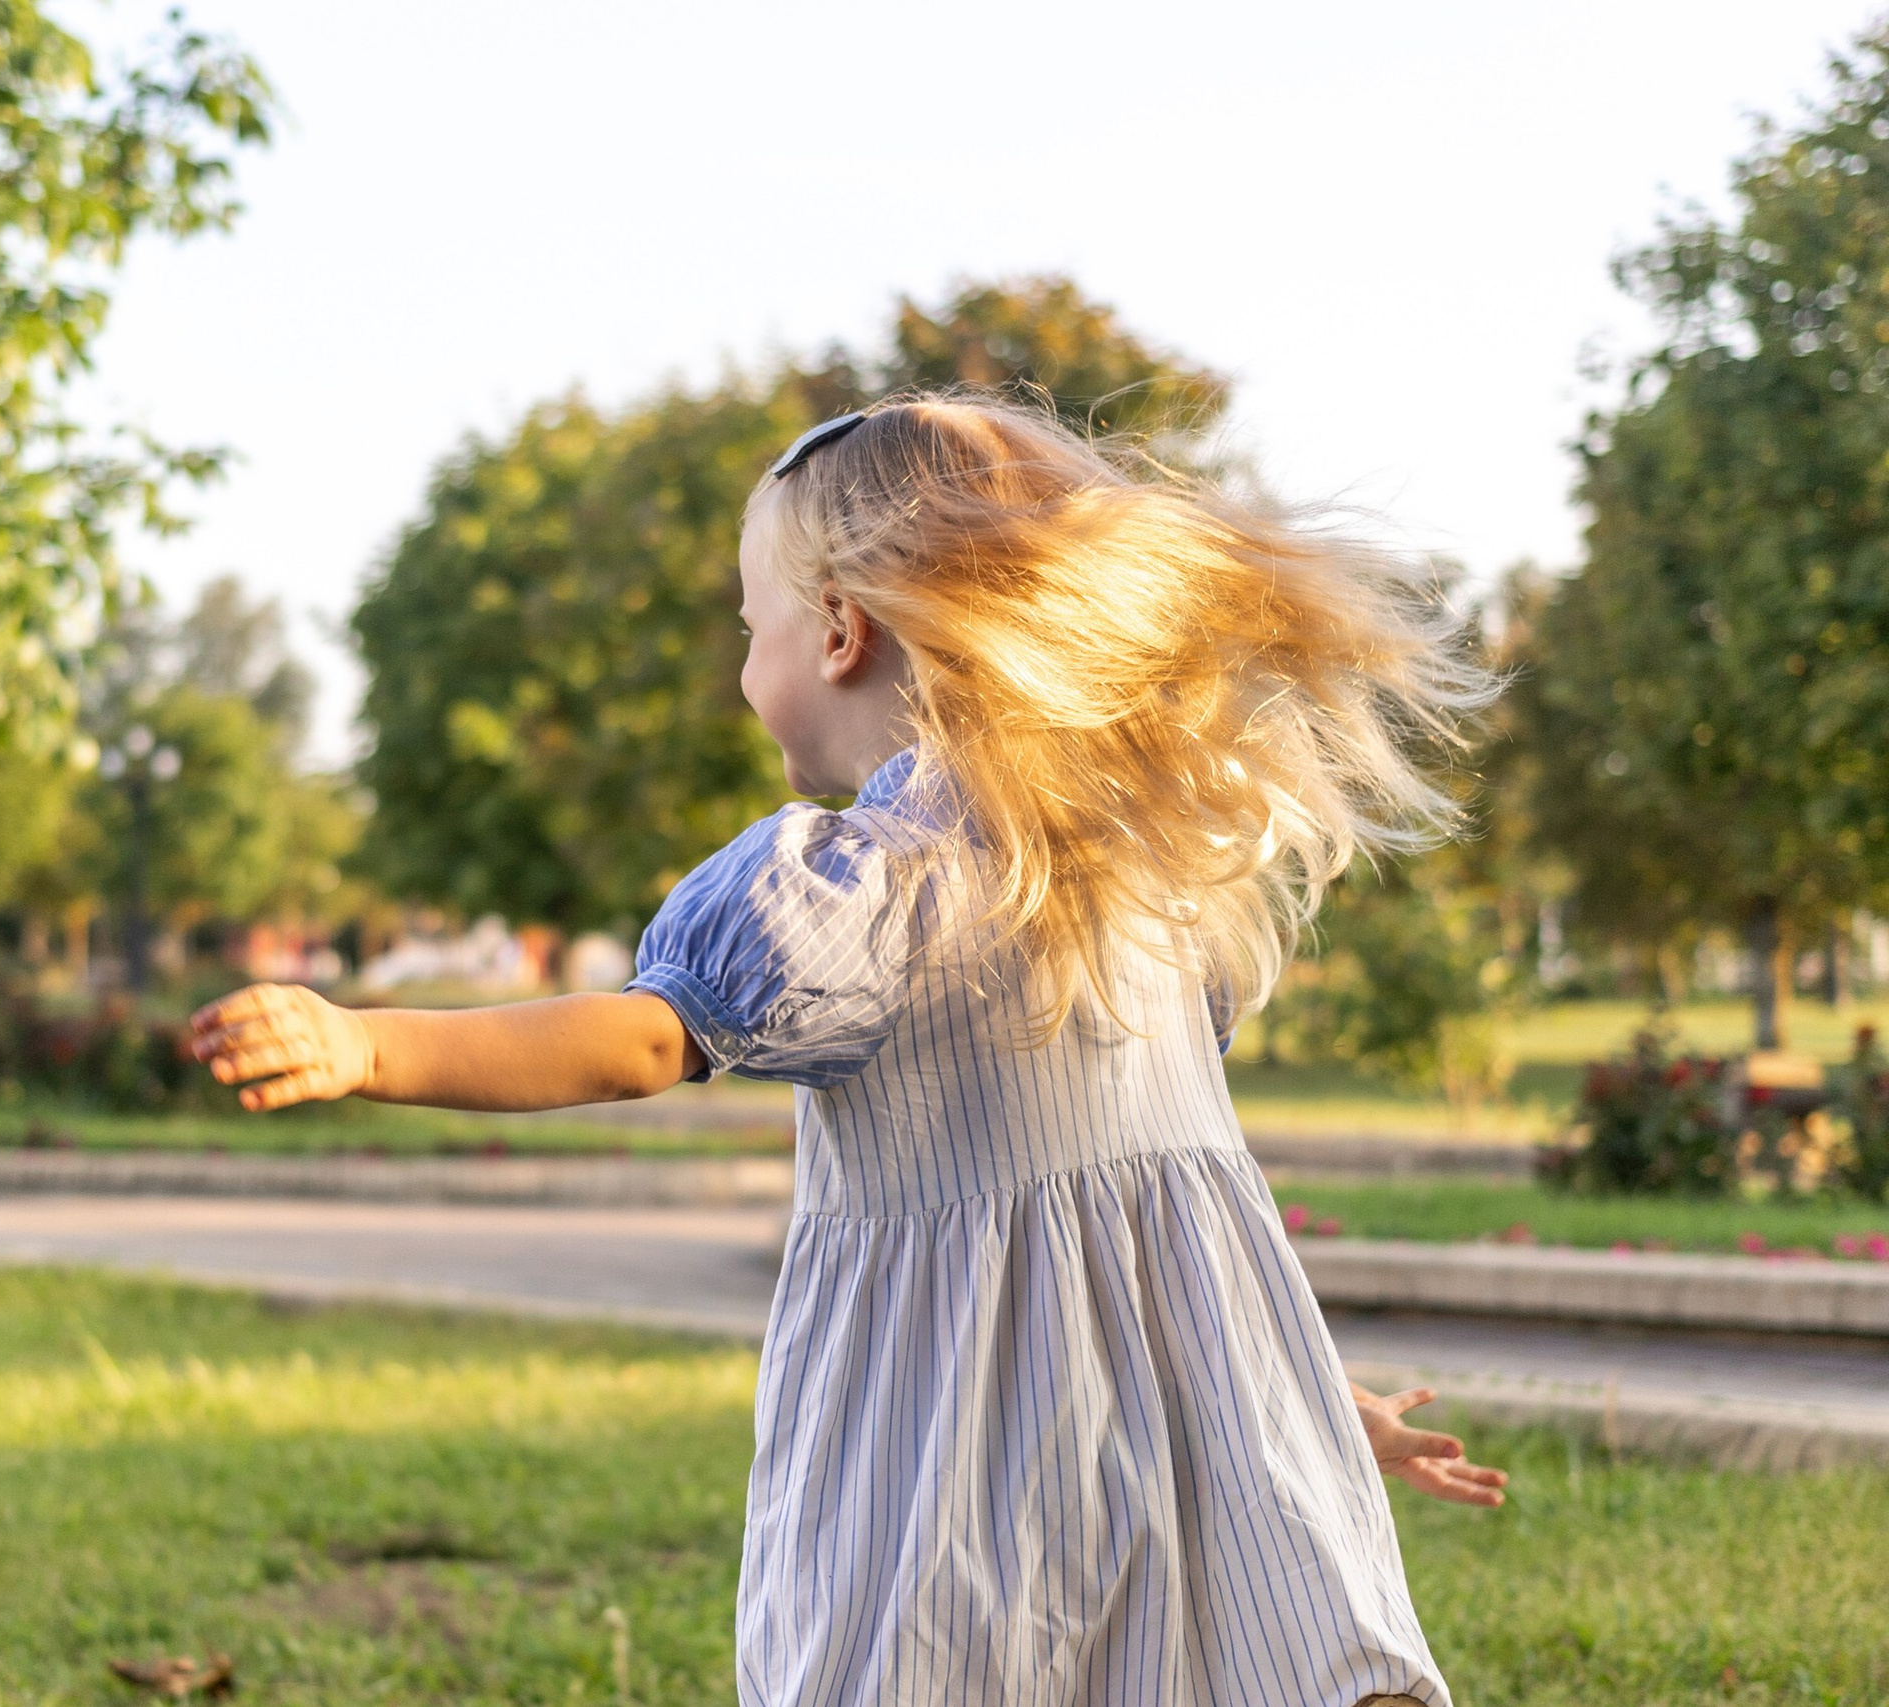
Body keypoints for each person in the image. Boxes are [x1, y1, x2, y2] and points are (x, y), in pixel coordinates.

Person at [191, 396, 1507, 1706]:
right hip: (1178, 1456)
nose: (743, 666)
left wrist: (370, 1044)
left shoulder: (866, 890)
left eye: (747, 627)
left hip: (960, 1452)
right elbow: (1178, 1239)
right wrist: (1308, 1414)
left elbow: (641, 1043)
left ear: (835, 634)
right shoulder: (1139, 889)